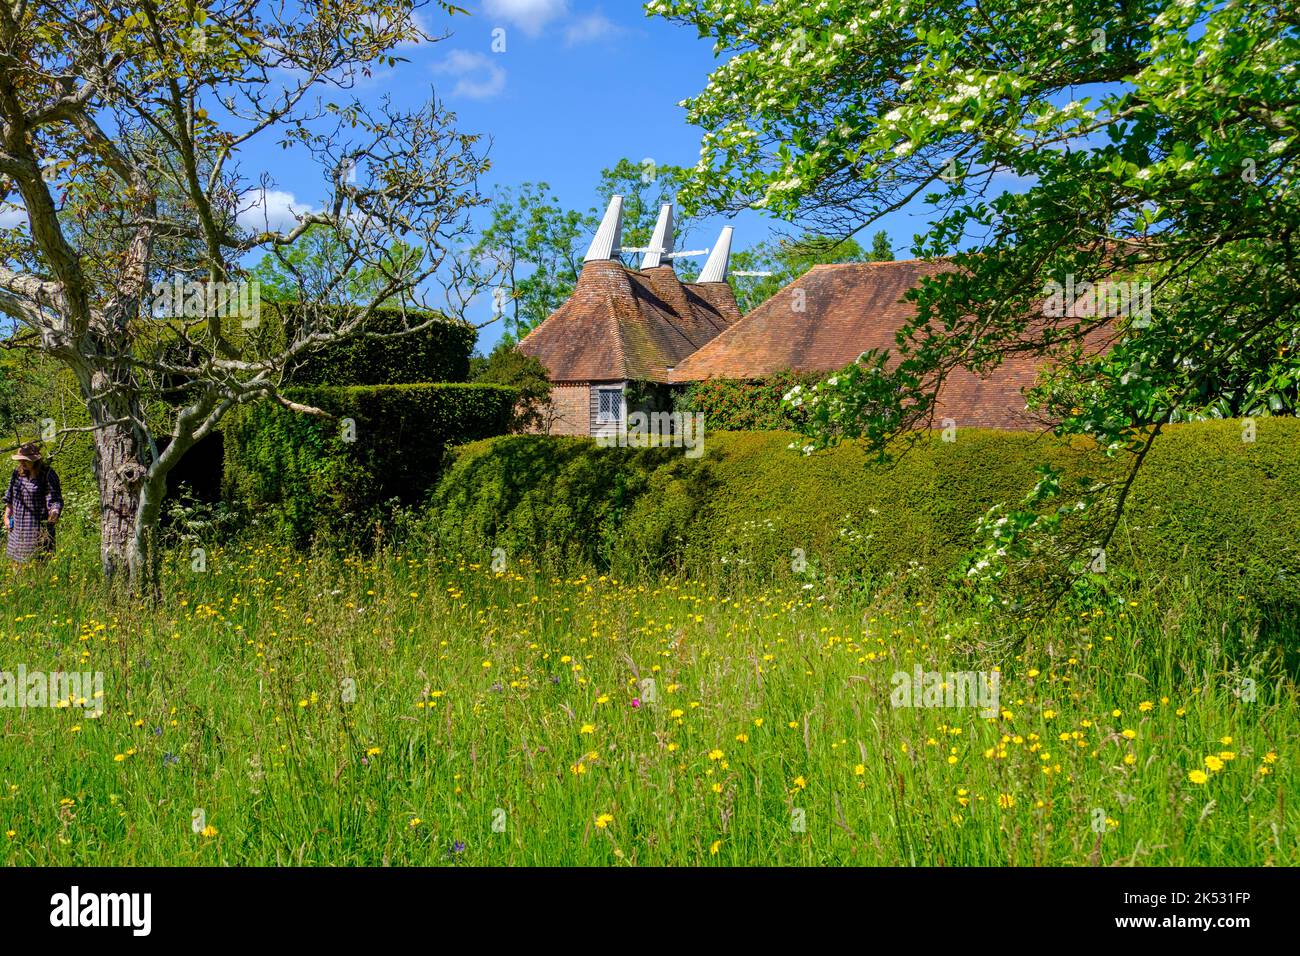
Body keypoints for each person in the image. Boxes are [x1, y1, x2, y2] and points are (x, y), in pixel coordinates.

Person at [3, 442, 63, 563]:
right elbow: (10, 497)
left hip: (37, 529)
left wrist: (54, 512)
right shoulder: (17, 473)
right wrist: (6, 516)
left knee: (38, 563)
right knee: (17, 565)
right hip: (18, 528)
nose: (22, 463)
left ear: (35, 460)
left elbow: (55, 499)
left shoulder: (47, 474)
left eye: (26, 460)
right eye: (20, 460)